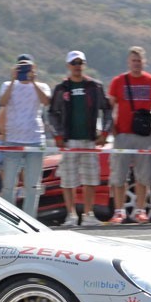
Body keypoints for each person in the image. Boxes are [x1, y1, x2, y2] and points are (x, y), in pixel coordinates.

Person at [49, 50, 112, 226]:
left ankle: (88, 214)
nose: (77, 66)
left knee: (90, 178)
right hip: (69, 140)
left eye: (80, 63)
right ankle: (71, 215)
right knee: (68, 179)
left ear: (84, 65)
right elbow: (52, 113)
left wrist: (105, 133)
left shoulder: (95, 86)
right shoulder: (62, 88)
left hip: (90, 139)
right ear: (68, 66)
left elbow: (107, 109)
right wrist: (58, 135)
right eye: (74, 63)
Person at [106, 46, 151, 223]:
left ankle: (140, 210)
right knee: (119, 175)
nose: (136, 64)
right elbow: (110, 107)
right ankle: (119, 211)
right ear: (128, 62)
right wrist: (113, 130)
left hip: (144, 136)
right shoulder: (118, 81)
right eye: (133, 61)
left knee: (144, 176)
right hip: (123, 134)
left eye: (139, 61)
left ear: (144, 62)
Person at [0, 54, 52, 219]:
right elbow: (2, 102)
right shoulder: (8, 85)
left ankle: (30, 218)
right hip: (13, 139)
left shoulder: (42, 86)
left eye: (27, 67)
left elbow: (46, 102)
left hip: (34, 140)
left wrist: (33, 81)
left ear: (34, 68)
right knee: (8, 185)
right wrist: (14, 80)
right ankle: (9, 218)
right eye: (21, 67)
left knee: (32, 185)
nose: (24, 70)